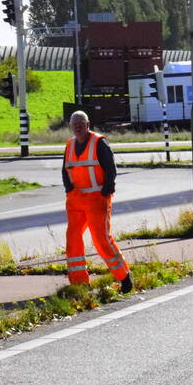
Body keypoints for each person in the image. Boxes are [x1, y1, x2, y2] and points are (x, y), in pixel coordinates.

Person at [62, 111, 134, 292]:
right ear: (71, 126)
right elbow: (65, 170)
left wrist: (106, 190)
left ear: (88, 124)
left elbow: (110, 168)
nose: (78, 126)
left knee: (101, 240)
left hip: (96, 199)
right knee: (73, 238)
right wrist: (69, 189)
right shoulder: (69, 145)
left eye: (81, 123)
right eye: (74, 124)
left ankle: (124, 277)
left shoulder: (99, 143)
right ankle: (79, 284)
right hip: (76, 200)